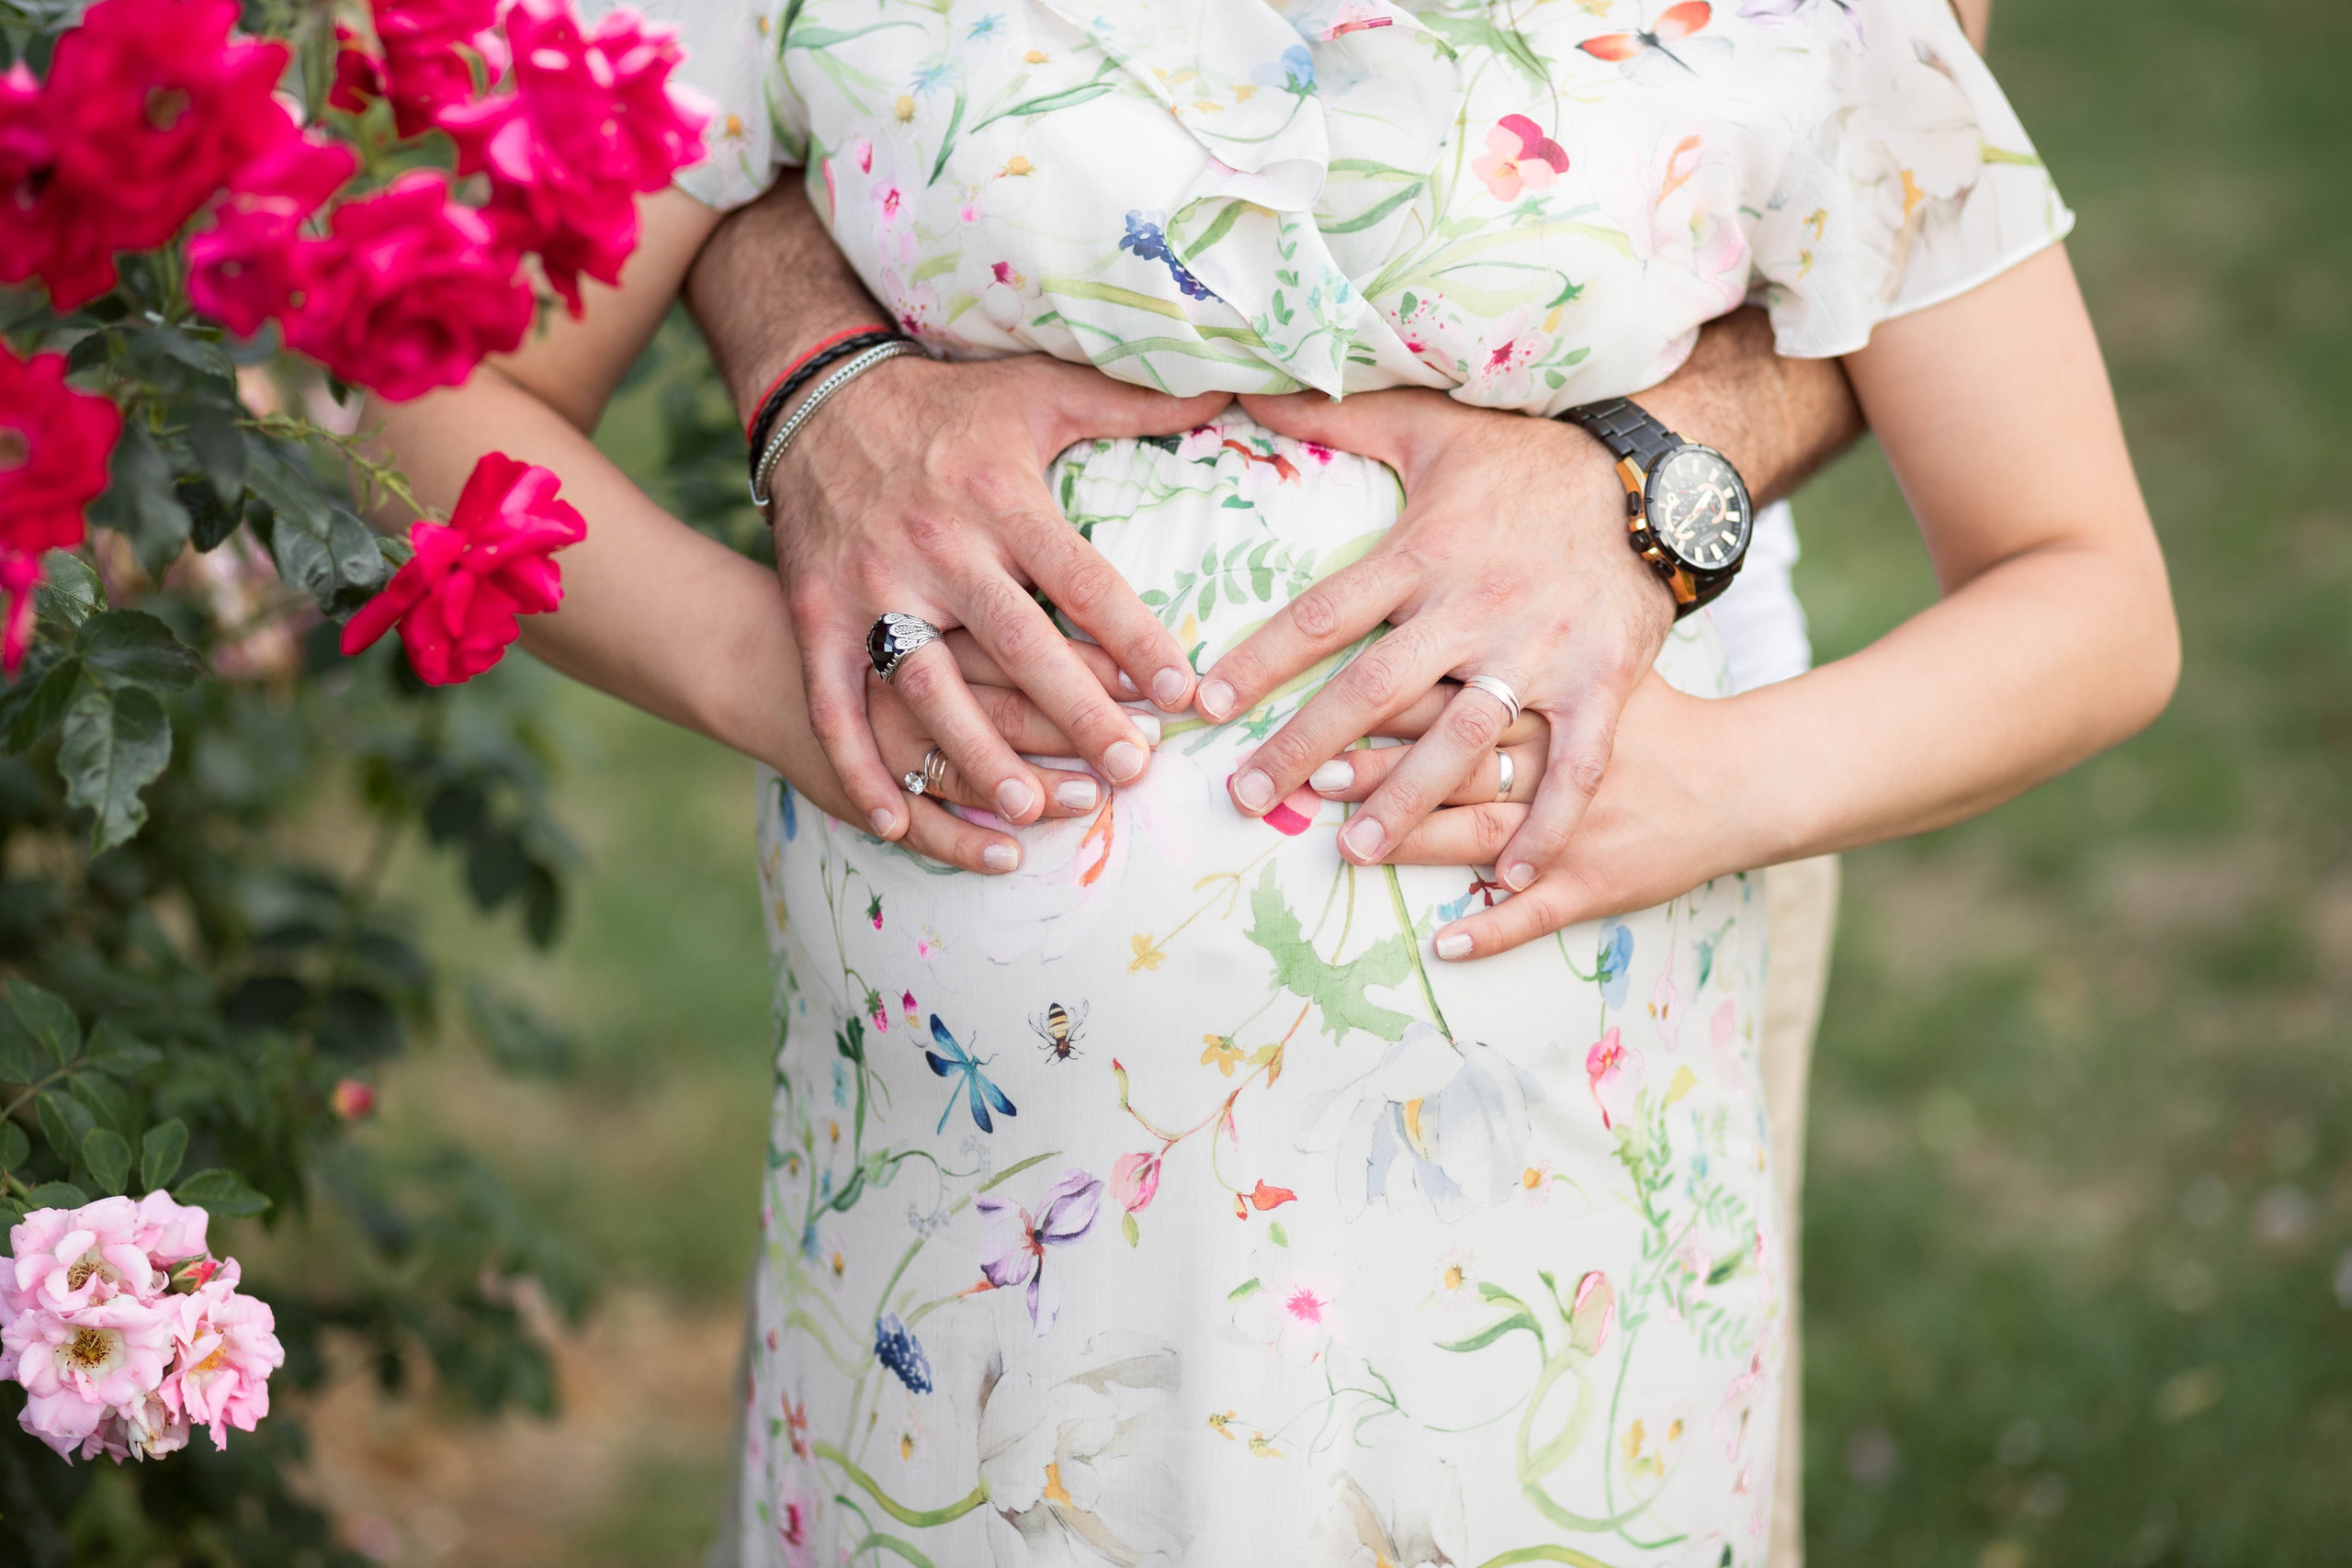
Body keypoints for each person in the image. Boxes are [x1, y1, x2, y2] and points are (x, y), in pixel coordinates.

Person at [366, 0, 2174, 1562]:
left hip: (1543, 1244)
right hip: (964, 1228)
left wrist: (1718, 782)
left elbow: (2085, 585)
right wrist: (787, 679)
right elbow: (423, 394)